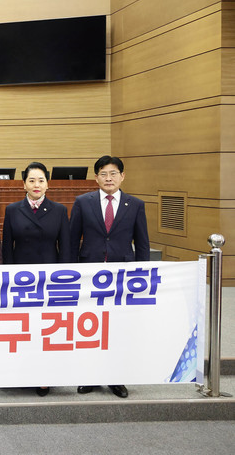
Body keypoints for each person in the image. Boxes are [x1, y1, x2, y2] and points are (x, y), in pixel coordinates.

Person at [70, 155, 149, 400]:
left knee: (117, 328)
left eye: (113, 173)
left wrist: (142, 275)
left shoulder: (135, 205)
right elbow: (72, 241)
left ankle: (116, 377)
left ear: (122, 176)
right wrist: (70, 274)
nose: (108, 178)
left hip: (122, 277)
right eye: (103, 174)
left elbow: (142, 244)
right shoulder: (83, 202)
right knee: (90, 326)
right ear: (96, 178)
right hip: (89, 275)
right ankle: (90, 376)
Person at [1, 162, 70, 397]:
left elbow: (65, 249)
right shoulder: (12, 210)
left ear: (48, 184)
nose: (36, 185)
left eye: (41, 180)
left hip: (49, 281)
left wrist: (63, 281)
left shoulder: (59, 210)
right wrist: (9, 279)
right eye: (31, 180)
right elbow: (7, 248)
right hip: (21, 282)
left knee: (46, 329)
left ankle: (44, 376)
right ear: (24, 185)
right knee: (21, 329)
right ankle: (19, 374)